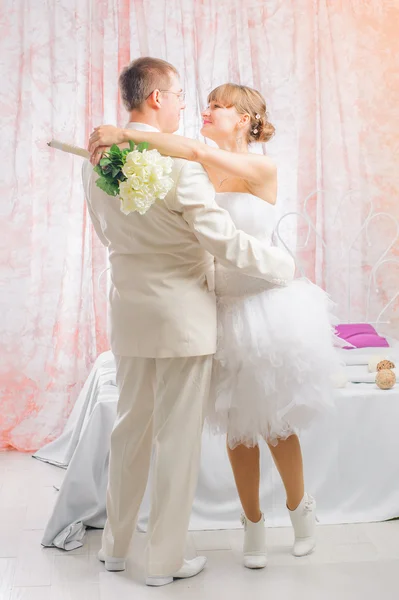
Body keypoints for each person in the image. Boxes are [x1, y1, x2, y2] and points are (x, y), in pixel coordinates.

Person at [89, 81, 341, 570]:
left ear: (245, 119)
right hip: (218, 307)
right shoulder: (199, 166)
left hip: (267, 305)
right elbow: (183, 163)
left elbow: (182, 146)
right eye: (204, 104)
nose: (206, 111)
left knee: (276, 424)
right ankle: (252, 523)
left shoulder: (260, 167)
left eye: (219, 106)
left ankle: (300, 509)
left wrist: (122, 133)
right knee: (236, 428)